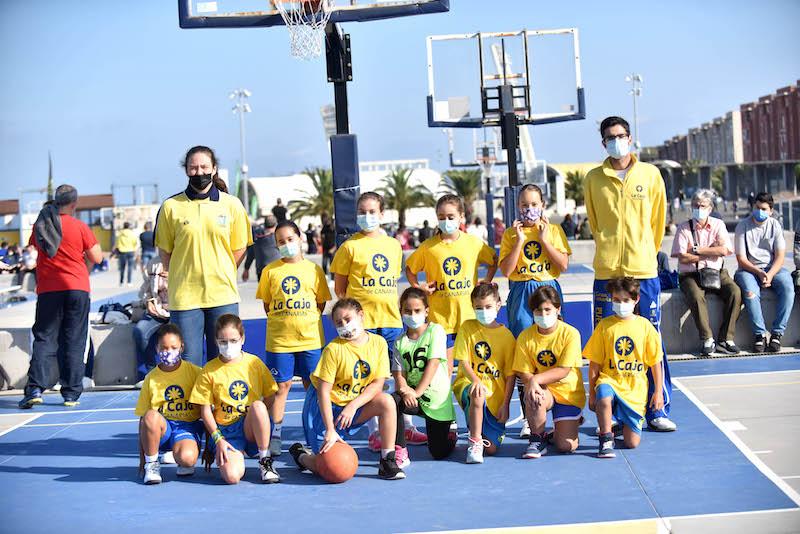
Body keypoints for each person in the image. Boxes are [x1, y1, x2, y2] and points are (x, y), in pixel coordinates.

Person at [583, 116, 675, 432]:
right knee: (606, 343)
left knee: (651, 342)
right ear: (603, 142)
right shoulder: (593, 178)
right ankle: (610, 415)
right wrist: (610, 249)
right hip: (607, 271)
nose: (615, 141)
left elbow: (657, 221)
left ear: (630, 137)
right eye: (609, 137)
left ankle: (657, 407)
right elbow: (595, 224)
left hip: (643, 270)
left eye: (620, 135)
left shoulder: (650, 175)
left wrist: (643, 250)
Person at [331, 192, 416, 451]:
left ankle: (408, 426)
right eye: (362, 212)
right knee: (367, 377)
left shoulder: (392, 245)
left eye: (372, 212)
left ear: (381, 215)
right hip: (363, 326)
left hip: (391, 321)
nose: (366, 217)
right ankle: (375, 431)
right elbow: (341, 289)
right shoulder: (350, 247)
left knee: (400, 374)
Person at [155, 146, 252, 367]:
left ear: (214, 168)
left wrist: (224, 269)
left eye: (204, 167)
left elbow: (239, 248)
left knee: (225, 358)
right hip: (185, 297)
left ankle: (221, 403)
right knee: (189, 363)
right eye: (193, 168)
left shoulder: (232, 204)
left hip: (223, 295)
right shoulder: (171, 207)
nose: (199, 172)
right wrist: (179, 274)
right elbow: (165, 250)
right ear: (186, 171)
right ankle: (194, 403)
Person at [288, 298, 406, 480]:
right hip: (324, 409)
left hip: (352, 406)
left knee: (387, 401)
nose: (344, 325)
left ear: (361, 316)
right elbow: (323, 392)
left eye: (347, 319)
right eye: (339, 323)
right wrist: (329, 429)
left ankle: (387, 460)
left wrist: (352, 406)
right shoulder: (333, 349)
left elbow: (377, 383)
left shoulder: (379, 343)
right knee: (330, 469)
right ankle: (302, 456)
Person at [19, 184, 103, 409]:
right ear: (74, 204)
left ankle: (35, 387)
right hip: (76, 287)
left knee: (45, 338)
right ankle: (71, 393)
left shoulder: (42, 225)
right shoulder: (80, 226)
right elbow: (97, 257)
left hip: (48, 290)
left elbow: (34, 247)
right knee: (74, 339)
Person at [499, 184, 571, 438]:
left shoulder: (554, 230)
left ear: (542, 204)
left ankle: (558, 409)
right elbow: (506, 270)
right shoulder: (510, 234)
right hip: (521, 291)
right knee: (525, 353)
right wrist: (520, 241)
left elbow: (562, 264)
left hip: (547, 287)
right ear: (518, 207)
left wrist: (544, 240)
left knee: (551, 347)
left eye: (533, 204)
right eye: (524, 205)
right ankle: (531, 415)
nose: (529, 209)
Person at [256, 220, 331, 456]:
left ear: (300, 239)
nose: (287, 244)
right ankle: (275, 434)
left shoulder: (314, 270)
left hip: (311, 340)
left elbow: (321, 302)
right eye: (281, 242)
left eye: (290, 239)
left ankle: (315, 433)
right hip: (280, 342)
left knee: (314, 387)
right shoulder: (270, 271)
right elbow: (268, 306)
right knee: (281, 386)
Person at [406, 194, 498, 370]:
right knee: (443, 371)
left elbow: (493, 261)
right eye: (441, 217)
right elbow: (410, 269)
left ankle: (473, 398)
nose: (446, 220)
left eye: (450, 217)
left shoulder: (473, 243)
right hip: (440, 319)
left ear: (461, 217)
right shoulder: (428, 247)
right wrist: (419, 288)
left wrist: (486, 281)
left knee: (472, 367)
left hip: (468, 317)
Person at [189, 314, 279, 484]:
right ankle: (236, 454)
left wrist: (257, 419)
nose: (228, 345)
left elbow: (270, 395)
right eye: (223, 341)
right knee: (231, 477)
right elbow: (205, 410)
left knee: (258, 406)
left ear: (242, 339)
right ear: (216, 341)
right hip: (226, 433)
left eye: (233, 340)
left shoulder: (255, 363)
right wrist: (218, 439)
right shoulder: (209, 370)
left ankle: (265, 460)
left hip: (249, 427)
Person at [584, 277, 664, 458]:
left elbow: (655, 363)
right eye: (617, 300)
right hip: (610, 379)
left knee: (632, 443)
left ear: (636, 300)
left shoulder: (645, 327)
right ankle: (606, 438)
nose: (621, 304)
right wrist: (593, 392)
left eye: (625, 300)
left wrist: (658, 391)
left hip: (635, 388)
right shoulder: (605, 326)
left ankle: (620, 422)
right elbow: (594, 363)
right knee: (604, 398)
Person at [514, 286, 585, 459]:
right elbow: (524, 371)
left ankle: (564, 426)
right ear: (532, 311)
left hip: (568, 392)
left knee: (566, 446)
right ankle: (537, 439)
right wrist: (533, 382)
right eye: (539, 310)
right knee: (534, 395)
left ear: (557, 309)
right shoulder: (525, 336)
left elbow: (564, 370)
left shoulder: (570, 333)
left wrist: (535, 379)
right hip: (544, 390)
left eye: (548, 309)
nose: (543, 314)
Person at [391, 287, 457, 466]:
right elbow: (399, 374)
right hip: (413, 397)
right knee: (391, 401)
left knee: (439, 452)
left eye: (417, 310)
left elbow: (433, 364)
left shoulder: (435, 331)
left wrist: (416, 392)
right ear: (401, 312)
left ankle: (450, 431)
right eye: (407, 311)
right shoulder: (400, 341)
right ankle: (399, 450)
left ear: (426, 311)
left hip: (435, 398)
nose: (412, 315)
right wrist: (405, 391)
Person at [671, 189, 741, 356]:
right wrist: (710, 252)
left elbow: (725, 250)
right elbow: (682, 258)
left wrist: (697, 250)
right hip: (690, 275)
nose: (699, 208)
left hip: (716, 271)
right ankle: (707, 339)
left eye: (702, 205)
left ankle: (726, 339)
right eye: (695, 205)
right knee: (696, 297)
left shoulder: (718, 225)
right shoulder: (683, 228)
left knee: (735, 292)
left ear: (710, 208)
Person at [452, 284, 515, 464]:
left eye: (488, 307)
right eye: (478, 308)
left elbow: (510, 375)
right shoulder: (467, 327)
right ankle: (475, 442)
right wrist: (476, 380)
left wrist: (506, 404)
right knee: (478, 393)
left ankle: (478, 428)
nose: (483, 311)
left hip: (496, 395)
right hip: (469, 384)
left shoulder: (507, 337)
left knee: (492, 449)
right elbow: (463, 361)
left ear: (498, 305)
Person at [136, 323, 203, 484]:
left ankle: (181, 453)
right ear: (157, 349)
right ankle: (152, 465)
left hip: (186, 427)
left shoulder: (195, 372)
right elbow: (142, 421)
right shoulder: (151, 378)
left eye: (173, 347)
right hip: (163, 428)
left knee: (187, 459)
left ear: (181, 347)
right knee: (150, 416)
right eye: (164, 348)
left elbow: (206, 409)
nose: (169, 352)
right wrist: (142, 458)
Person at [734, 192, 795, 352]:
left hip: (773, 268)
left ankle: (777, 334)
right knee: (750, 292)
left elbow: (780, 256)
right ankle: (759, 335)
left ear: (770, 210)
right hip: (748, 270)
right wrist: (759, 273)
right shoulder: (742, 226)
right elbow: (741, 258)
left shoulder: (775, 225)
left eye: (763, 208)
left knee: (788, 288)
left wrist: (770, 274)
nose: (759, 211)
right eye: (757, 207)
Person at [133, 256, 171, 387]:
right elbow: (145, 289)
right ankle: (149, 372)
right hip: (157, 311)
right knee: (140, 331)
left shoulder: (185, 259)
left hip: (181, 310)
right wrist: (148, 301)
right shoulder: (154, 263)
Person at [242, 214, 280, 283]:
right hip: (276, 270)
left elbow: (250, 255)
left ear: (265, 225)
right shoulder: (278, 237)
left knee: (264, 293)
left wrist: (246, 269)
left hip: (261, 271)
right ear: (275, 224)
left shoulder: (257, 238)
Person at [115, 222, 138, 287]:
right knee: (130, 267)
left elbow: (117, 243)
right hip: (130, 251)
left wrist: (119, 248)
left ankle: (121, 282)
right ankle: (129, 282)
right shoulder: (132, 233)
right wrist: (133, 248)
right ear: (129, 226)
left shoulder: (120, 234)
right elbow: (135, 242)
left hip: (122, 252)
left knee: (122, 268)